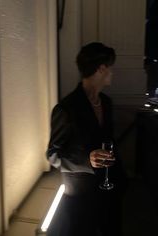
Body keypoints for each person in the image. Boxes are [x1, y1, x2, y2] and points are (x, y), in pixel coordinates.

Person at [46, 42, 126, 236]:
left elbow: (110, 141)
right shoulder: (66, 108)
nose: (112, 73)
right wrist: (86, 161)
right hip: (80, 196)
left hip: (110, 189)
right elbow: (53, 155)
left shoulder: (106, 103)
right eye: (110, 68)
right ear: (102, 68)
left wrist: (121, 178)